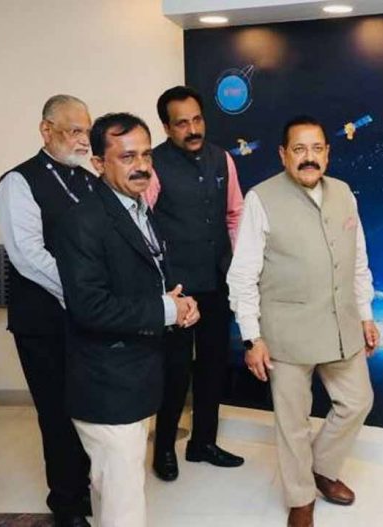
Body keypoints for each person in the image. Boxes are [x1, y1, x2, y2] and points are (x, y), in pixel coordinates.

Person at [227, 115, 379, 527]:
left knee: (358, 401)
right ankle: (300, 497)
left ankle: (322, 469)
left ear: (327, 153)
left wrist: (366, 314)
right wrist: (252, 337)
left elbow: (358, 261)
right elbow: (242, 275)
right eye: (299, 149)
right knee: (293, 422)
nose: (308, 158)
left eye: (316, 149)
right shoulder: (261, 199)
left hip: (341, 323)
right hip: (286, 332)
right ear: (283, 154)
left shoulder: (344, 193)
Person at [54, 112, 199, 527]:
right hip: (106, 384)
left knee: (116, 494)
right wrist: (166, 310)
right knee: (124, 506)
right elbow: (90, 307)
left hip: (135, 376)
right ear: (98, 163)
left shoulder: (138, 208)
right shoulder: (83, 220)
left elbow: (145, 277)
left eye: (146, 155)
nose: (141, 166)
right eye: (127, 156)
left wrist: (180, 304)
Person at [0, 94, 94, 526]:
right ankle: (66, 503)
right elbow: (28, 255)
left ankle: (85, 487)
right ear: (46, 130)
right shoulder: (19, 182)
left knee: (87, 408)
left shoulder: (89, 180)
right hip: (43, 322)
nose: (83, 140)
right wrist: (81, 293)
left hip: (87, 319)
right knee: (57, 414)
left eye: (87, 131)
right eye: (74, 131)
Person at [149, 85, 244, 481]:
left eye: (197, 120)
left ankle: (203, 443)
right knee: (174, 372)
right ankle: (163, 449)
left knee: (212, 366)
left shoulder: (223, 158)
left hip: (216, 281)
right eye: (182, 123)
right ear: (167, 128)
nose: (192, 129)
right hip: (176, 289)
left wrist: (235, 266)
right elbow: (142, 223)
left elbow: (235, 214)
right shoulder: (153, 164)